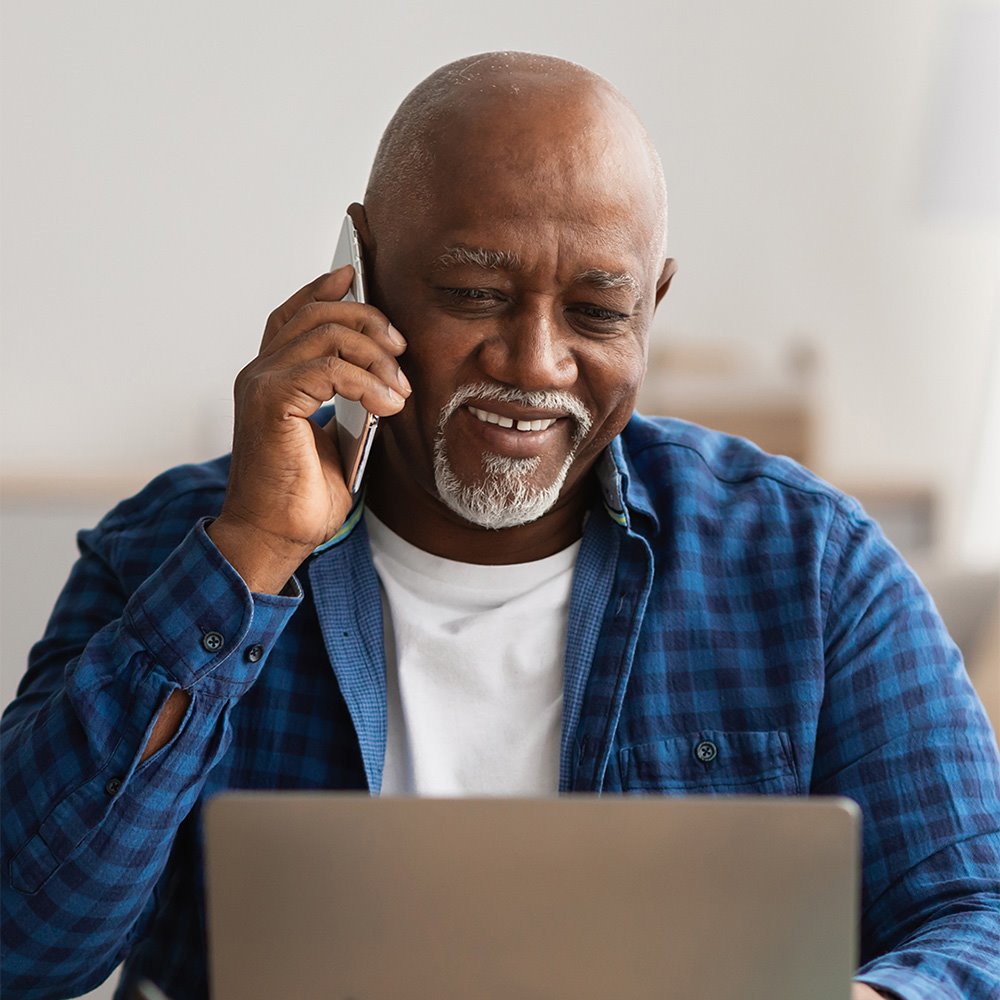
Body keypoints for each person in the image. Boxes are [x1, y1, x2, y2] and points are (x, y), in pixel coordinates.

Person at [2, 50, 998, 1000]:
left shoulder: (808, 565)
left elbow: (978, 915)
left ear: (654, 301)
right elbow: (24, 944)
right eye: (475, 294)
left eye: (598, 313)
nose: (535, 363)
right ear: (362, 266)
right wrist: (254, 551)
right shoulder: (173, 547)